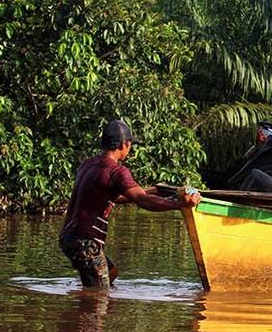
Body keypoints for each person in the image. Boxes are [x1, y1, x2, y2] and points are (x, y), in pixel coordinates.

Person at [58, 120, 202, 288]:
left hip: (68, 238)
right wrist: (180, 205)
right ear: (123, 144)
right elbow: (142, 200)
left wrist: (152, 191)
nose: (130, 148)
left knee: (110, 273)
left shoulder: (88, 164)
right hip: (86, 241)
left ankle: (79, 299)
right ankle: (85, 306)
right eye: (130, 144)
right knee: (98, 296)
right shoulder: (117, 171)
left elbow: (117, 197)